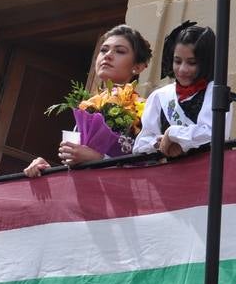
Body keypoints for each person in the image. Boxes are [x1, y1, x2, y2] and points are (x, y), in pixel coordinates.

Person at [24, 24, 152, 177]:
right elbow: (74, 170)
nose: (108, 55)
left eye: (120, 51)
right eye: (104, 50)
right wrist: (46, 170)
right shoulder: (87, 107)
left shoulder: (145, 109)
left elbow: (147, 170)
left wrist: (98, 159)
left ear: (137, 67)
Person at [133, 22, 229, 157]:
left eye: (192, 63)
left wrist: (172, 134)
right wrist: (158, 143)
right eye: (177, 61)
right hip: (167, 174)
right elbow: (140, 146)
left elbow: (213, 132)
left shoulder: (216, 91)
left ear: (205, 62)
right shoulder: (159, 97)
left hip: (207, 173)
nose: (183, 69)